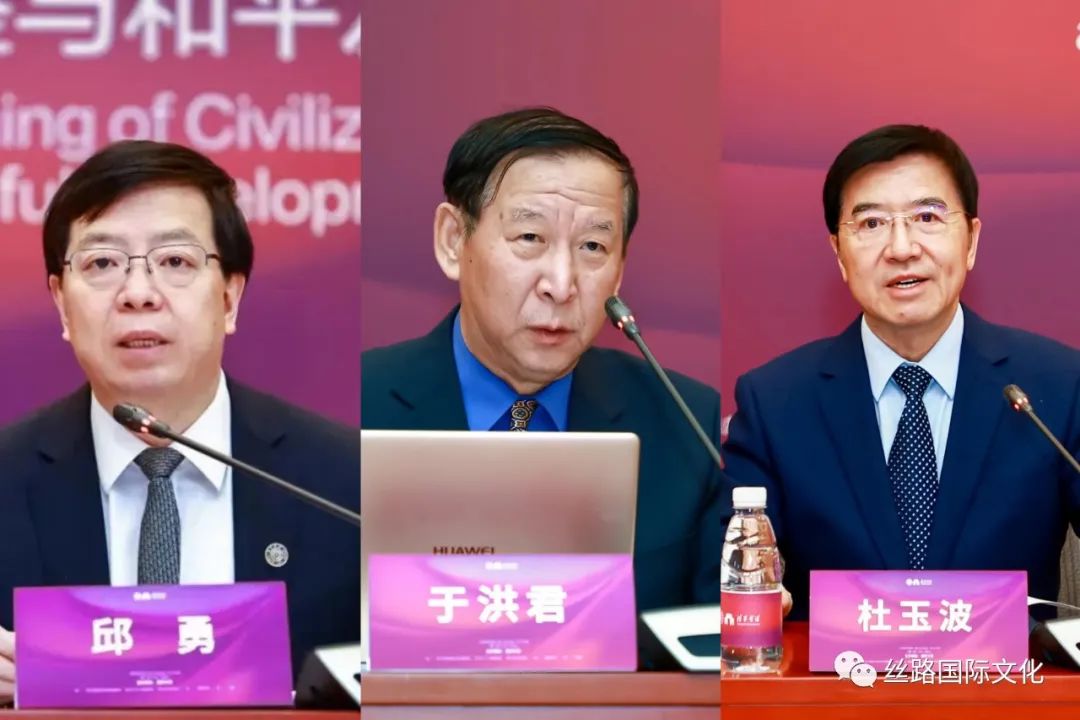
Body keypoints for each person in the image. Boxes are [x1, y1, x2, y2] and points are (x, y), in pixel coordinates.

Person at [0, 140, 360, 700]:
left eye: (175, 261)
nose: (138, 294)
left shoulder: (345, 483)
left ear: (230, 298)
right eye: (101, 263)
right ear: (62, 304)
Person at [362, 107, 724, 619]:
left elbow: (712, 635)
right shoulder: (355, 408)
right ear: (453, 240)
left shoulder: (685, 423)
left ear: (620, 270)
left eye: (593, 246)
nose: (561, 283)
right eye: (530, 238)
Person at [722, 124, 1080, 619]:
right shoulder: (775, 402)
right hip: (837, 668)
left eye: (927, 217)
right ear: (839, 253)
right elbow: (729, 558)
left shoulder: (1057, 385)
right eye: (871, 223)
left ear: (971, 240)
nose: (902, 247)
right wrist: (753, 593)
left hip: (1005, 669)